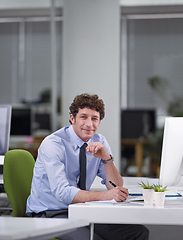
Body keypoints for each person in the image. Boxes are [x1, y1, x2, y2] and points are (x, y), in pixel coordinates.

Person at [26, 93, 149, 240]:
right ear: (73, 118)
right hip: (50, 213)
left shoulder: (99, 141)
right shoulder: (53, 144)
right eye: (83, 117)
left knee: (138, 233)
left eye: (94, 118)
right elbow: (62, 193)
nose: (89, 124)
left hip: (81, 210)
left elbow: (115, 186)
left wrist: (106, 158)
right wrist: (105, 196)